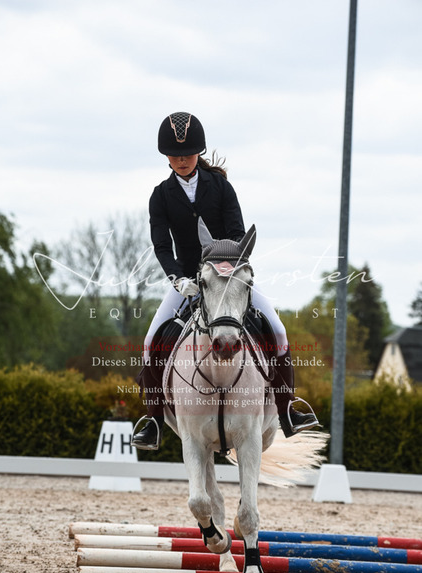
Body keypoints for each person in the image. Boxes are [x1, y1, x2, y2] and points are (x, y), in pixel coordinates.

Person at [132, 111, 319, 450]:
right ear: (166, 157)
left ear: (199, 152)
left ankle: (287, 408)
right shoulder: (160, 196)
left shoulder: (220, 187)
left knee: (277, 329)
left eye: (188, 154)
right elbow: (161, 246)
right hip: (189, 281)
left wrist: (226, 270)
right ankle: (154, 420)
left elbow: (236, 232)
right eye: (174, 155)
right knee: (150, 342)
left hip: (230, 278)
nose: (181, 160)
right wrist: (178, 279)